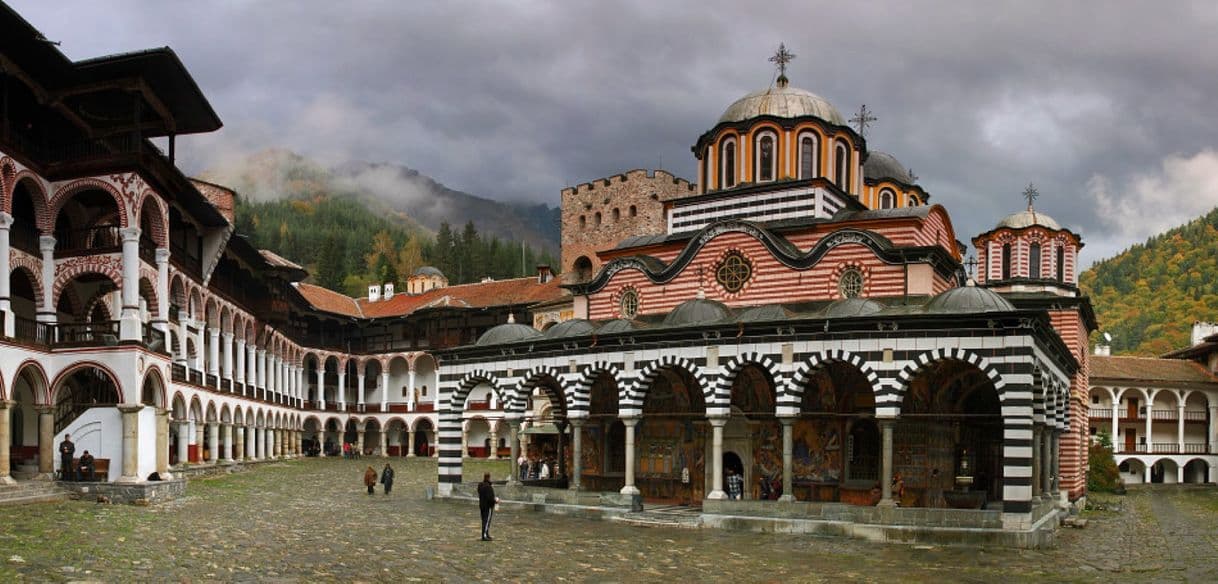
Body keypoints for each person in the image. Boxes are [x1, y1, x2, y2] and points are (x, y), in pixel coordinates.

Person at [477, 472, 498, 541]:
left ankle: (486, 534)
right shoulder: (488, 487)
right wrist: (495, 501)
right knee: (487, 521)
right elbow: (490, 498)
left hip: (482, 505)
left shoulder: (481, 486)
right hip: (488, 506)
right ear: (489, 477)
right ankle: (484, 535)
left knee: (484, 520)